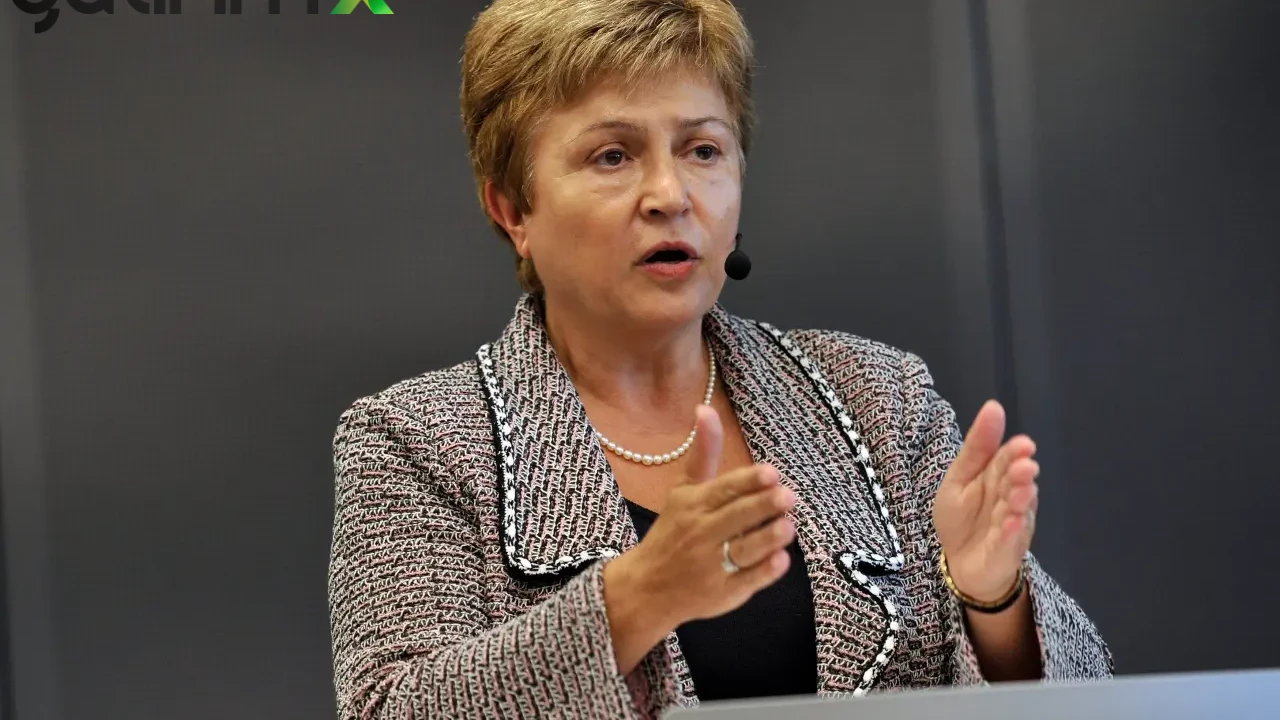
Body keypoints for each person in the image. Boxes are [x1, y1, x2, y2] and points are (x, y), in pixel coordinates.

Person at [325, 0, 1113, 717]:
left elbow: (1091, 696)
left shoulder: (879, 398)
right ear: (512, 209)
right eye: (612, 156)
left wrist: (992, 599)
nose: (670, 194)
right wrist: (638, 597)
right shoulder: (415, 442)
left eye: (702, 149)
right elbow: (391, 710)